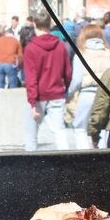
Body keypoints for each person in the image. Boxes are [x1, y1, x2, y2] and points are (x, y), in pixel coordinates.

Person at [22, 12, 73, 151]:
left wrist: (32, 102)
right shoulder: (60, 45)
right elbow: (68, 72)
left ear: (34, 24)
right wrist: (67, 90)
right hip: (56, 92)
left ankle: (31, 165)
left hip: (39, 94)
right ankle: (67, 162)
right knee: (59, 132)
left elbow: (31, 78)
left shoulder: (31, 48)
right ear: (50, 25)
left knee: (31, 134)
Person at [66, 24, 110, 148]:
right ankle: (104, 156)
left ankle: (83, 158)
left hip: (87, 94)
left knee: (80, 128)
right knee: (102, 127)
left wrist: (69, 94)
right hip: (104, 95)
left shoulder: (81, 53)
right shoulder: (108, 52)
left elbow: (77, 80)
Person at [0, 22, 20, 112]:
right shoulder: (15, 41)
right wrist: (19, 66)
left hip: (0, 64)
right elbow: (20, 55)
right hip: (10, 63)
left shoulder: (0, 39)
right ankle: (13, 103)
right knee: (13, 83)